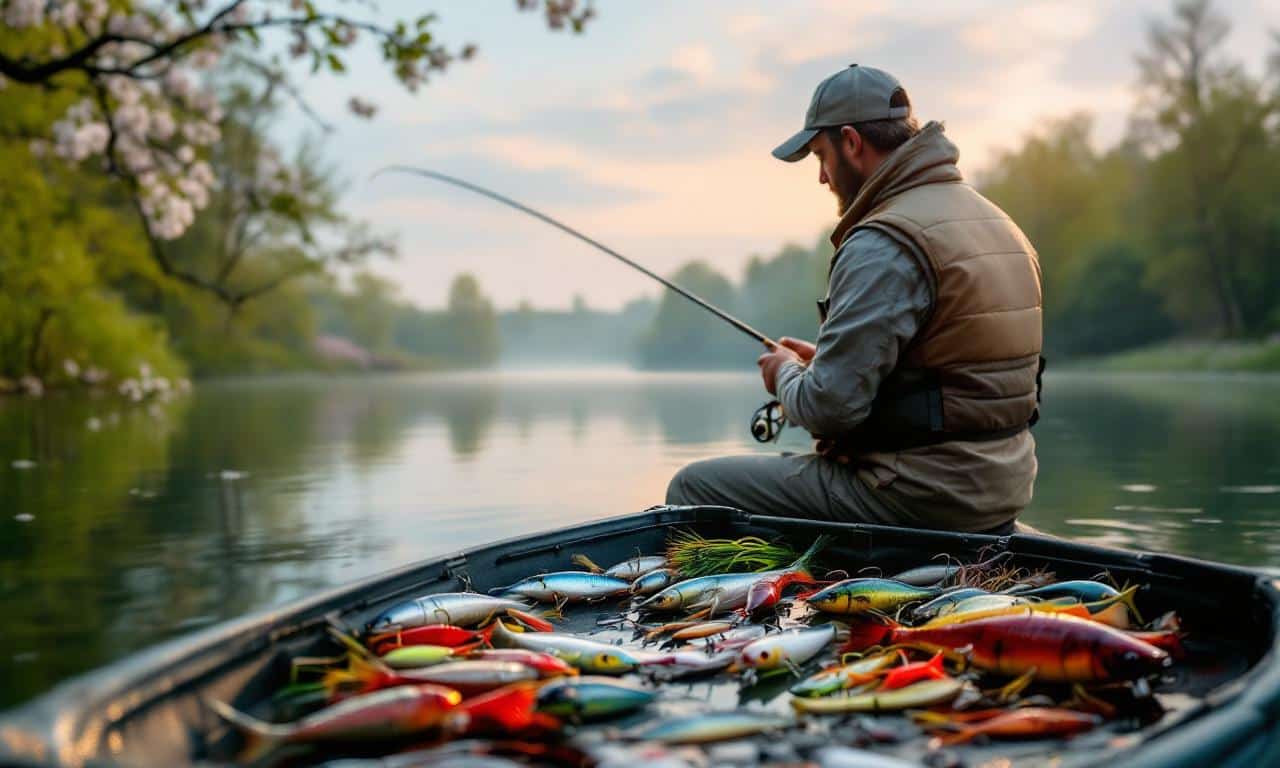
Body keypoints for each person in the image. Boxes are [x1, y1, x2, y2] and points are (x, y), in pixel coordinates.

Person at [665, 64, 1043, 535]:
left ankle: (720, 608)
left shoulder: (884, 242)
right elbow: (948, 374)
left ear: (851, 142)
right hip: (1002, 487)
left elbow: (828, 410)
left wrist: (785, 374)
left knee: (693, 490)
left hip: (923, 496)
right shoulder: (1000, 225)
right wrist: (826, 362)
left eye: (821, 155)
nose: (822, 177)